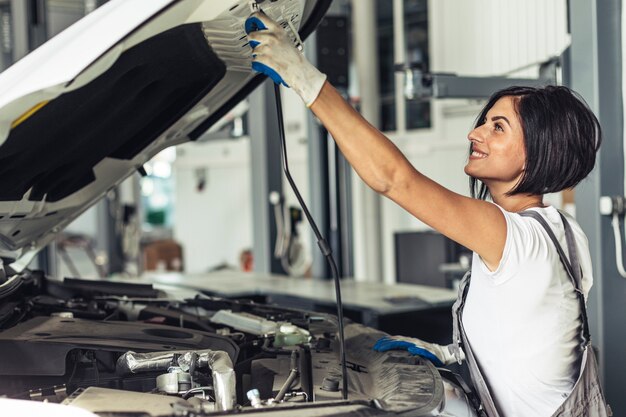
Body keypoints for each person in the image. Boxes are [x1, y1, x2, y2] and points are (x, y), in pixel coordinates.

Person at [245, 12, 608, 417]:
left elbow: (394, 180)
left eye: (498, 128)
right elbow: (530, 343)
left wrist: (304, 78)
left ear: (538, 152)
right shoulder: (564, 233)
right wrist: (446, 353)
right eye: (484, 122)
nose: (475, 133)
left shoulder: (514, 237)